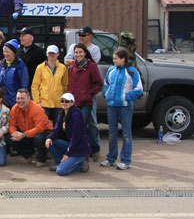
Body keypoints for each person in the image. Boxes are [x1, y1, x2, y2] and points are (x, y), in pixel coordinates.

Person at [100, 47, 143, 170]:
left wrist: (126, 97)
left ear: (123, 59)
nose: (114, 61)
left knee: (126, 133)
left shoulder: (132, 72)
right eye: (113, 58)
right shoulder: (111, 70)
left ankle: (126, 160)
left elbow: (138, 89)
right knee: (112, 133)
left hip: (125, 107)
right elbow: (106, 83)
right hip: (112, 106)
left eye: (116, 58)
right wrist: (106, 94)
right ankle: (111, 158)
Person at [65, 25, 102, 158]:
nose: (81, 37)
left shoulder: (92, 62)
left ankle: (95, 148)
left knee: (91, 123)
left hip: (87, 100)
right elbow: (67, 63)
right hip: (75, 101)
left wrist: (89, 93)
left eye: (84, 35)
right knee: (78, 125)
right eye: (80, 35)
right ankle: (83, 150)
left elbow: (98, 83)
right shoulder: (72, 68)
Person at [45, 92, 92, 175]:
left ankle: (80, 164)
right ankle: (59, 163)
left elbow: (75, 138)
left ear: (72, 103)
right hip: (70, 145)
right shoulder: (62, 113)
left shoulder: (76, 115)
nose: (64, 103)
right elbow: (56, 129)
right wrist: (49, 138)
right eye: (62, 101)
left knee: (60, 172)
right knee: (51, 142)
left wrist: (67, 154)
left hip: (78, 148)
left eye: (67, 101)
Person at [9, 88, 53, 168]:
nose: (20, 101)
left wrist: (24, 134)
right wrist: (14, 133)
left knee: (39, 138)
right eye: (18, 98)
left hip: (43, 134)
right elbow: (12, 124)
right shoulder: (14, 108)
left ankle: (42, 159)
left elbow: (40, 127)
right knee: (9, 137)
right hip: (26, 134)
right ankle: (29, 155)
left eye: (22, 98)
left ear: (29, 98)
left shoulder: (36, 109)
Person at [31, 45, 68, 125]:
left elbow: (66, 85)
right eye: (49, 53)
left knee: (58, 125)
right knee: (42, 124)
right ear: (47, 54)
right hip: (44, 102)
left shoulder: (63, 68)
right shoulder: (40, 67)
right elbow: (35, 86)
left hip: (58, 102)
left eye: (53, 53)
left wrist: (65, 100)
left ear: (58, 54)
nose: (51, 55)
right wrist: (37, 101)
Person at [0, 38, 28, 107]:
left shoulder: (20, 65)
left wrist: (21, 99)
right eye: (4, 51)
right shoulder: (0, 65)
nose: (5, 54)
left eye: (8, 52)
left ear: (13, 53)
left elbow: (24, 84)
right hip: (1, 101)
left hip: (14, 102)